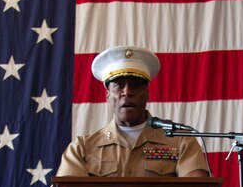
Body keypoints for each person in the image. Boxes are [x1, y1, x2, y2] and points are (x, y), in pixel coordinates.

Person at [56, 45, 210, 179]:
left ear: (147, 94)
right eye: (118, 85)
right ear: (108, 96)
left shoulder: (181, 143)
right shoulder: (82, 148)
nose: (127, 92)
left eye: (135, 85)